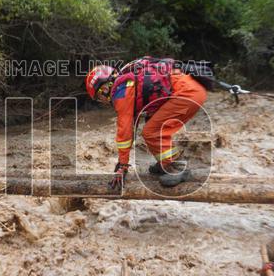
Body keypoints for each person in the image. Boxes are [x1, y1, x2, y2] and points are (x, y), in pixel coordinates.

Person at [85, 57, 207, 189]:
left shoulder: (121, 91)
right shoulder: (127, 79)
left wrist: (122, 165)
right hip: (191, 90)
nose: (102, 101)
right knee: (152, 126)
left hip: (187, 94)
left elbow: (124, 132)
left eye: (99, 97)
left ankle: (176, 168)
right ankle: (166, 163)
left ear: (104, 88)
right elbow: (132, 127)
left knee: (151, 132)